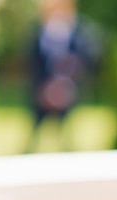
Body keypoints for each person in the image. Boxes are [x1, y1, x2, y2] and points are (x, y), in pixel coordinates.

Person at [27, 0, 100, 152]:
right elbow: (33, 65)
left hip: (67, 89)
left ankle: (68, 149)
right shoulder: (38, 35)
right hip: (42, 89)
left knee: (67, 128)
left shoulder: (78, 36)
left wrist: (64, 85)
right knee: (36, 124)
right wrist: (45, 88)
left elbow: (82, 63)